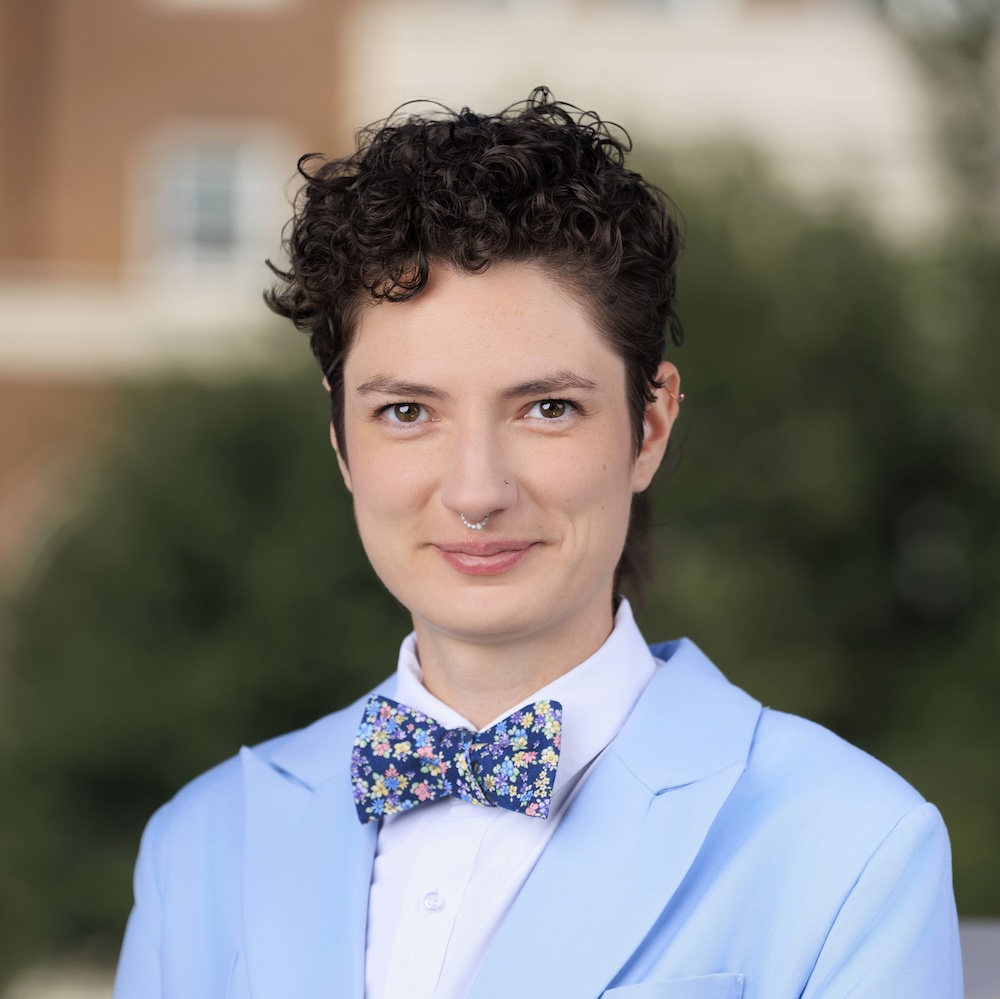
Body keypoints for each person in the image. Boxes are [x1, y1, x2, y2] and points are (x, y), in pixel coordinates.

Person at [113, 88, 962, 999]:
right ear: (342, 445)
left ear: (650, 427)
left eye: (547, 408)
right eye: (407, 411)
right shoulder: (201, 843)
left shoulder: (854, 845)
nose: (477, 490)